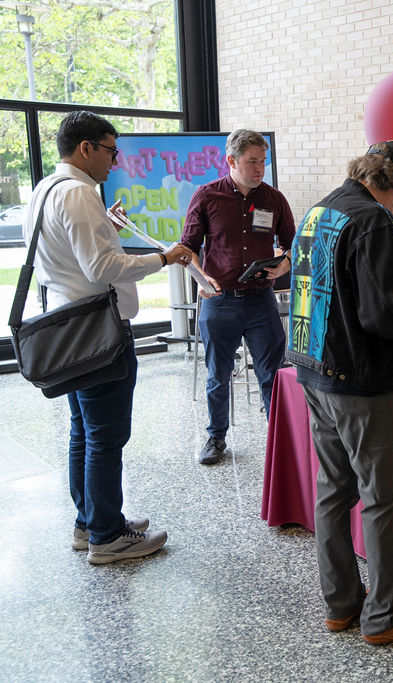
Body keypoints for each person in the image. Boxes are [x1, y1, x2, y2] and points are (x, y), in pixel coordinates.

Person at [286, 141, 393, 644]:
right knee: (389, 498)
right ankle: (386, 617)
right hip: (362, 381)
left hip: (316, 370)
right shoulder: (375, 220)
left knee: (333, 492)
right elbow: (381, 315)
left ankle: (341, 605)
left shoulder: (321, 210)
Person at [22, 111, 191, 564]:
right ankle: (107, 536)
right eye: (111, 151)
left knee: (84, 430)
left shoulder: (46, 189)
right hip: (98, 334)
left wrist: (107, 231)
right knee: (105, 435)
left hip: (70, 326)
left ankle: (91, 521)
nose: (115, 161)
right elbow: (102, 269)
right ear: (86, 149)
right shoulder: (78, 194)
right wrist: (164, 258)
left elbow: (64, 255)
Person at [181, 129, 295, 465]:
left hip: (261, 301)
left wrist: (284, 263)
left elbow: (293, 244)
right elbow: (187, 248)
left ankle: (281, 439)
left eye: (263, 161)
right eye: (252, 161)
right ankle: (216, 437)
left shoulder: (274, 199)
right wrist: (199, 277)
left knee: (273, 373)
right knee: (218, 375)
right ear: (231, 161)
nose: (260, 168)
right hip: (219, 301)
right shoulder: (206, 196)